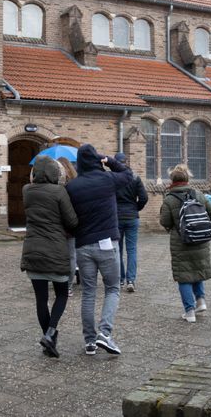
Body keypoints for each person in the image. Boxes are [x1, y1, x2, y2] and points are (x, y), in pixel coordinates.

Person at [65, 144, 134, 356]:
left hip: (83, 246)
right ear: (97, 160)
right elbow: (128, 174)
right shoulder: (108, 179)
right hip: (107, 244)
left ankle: (89, 341)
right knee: (112, 288)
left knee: (88, 292)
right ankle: (105, 333)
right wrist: (109, 160)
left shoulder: (72, 187)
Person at [21, 155, 78, 357]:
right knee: (61, 294)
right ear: (56, 173)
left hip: (33, 250)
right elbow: (71, 221)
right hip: (55, 250)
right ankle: (51, 332)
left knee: (41, 299)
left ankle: (48, 338)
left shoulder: (26, 190)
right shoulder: (59, 192)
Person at [159, 164, 211, 323]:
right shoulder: (198, 194)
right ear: (187, 178)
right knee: (197, 268)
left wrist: (173, 227)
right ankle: (201, 301)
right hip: (200, 239)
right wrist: (203, 226)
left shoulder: (169, 199)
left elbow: (164, 221)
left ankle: (189, 311)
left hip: (181, 242)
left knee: (184, 276)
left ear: (172, 180)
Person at [113, 152, 148, 292]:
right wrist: (135, 208)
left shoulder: (112, 178)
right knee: (132, 249)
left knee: (118, 250)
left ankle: (120, 279)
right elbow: (144, 198)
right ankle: (131, 280)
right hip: (132, 217)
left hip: (116, 217)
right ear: (126, 162)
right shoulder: (135, 177)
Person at [56, 156, 79, 294]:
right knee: (71, 256)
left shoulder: (56, 186)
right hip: (72, 224)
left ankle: (59, 282)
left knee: (59, 255)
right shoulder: (76, 184)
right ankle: (68, 287)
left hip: (58, 225)